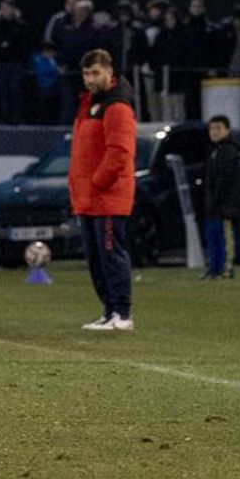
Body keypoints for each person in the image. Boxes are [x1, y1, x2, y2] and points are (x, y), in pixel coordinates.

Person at [68, 49, 137, 331]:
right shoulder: (90, 104)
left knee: (111, 255)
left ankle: (122, 313)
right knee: (96, 259)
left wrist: (97, 182)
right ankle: (109, 311)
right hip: (89, 197)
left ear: (109, 72)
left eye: (95, 73)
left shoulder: (117, 106)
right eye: (86, 73)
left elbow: (120, 153)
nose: (90, 79)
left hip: (107, 196)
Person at [202, 115, 240, 280]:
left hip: (225, 207)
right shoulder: (213, 150)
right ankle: (213, 270)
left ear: (227, 130)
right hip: (212, 206)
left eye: (218, 128)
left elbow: (229, 182)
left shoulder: (230, 151)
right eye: (212, 129)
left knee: (225, 239)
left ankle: (226, 270)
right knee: (212, 238)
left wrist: (227, 204)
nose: (214, 132)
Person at [0, 0, 30, 125]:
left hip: (16, 63)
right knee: (2, 92)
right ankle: (4, 119)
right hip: (1, 62)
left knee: (16, 91)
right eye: (3, 8)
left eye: (8, 8)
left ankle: (17, 118)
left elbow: (25, 43)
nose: (6, 10)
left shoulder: (20, 25)